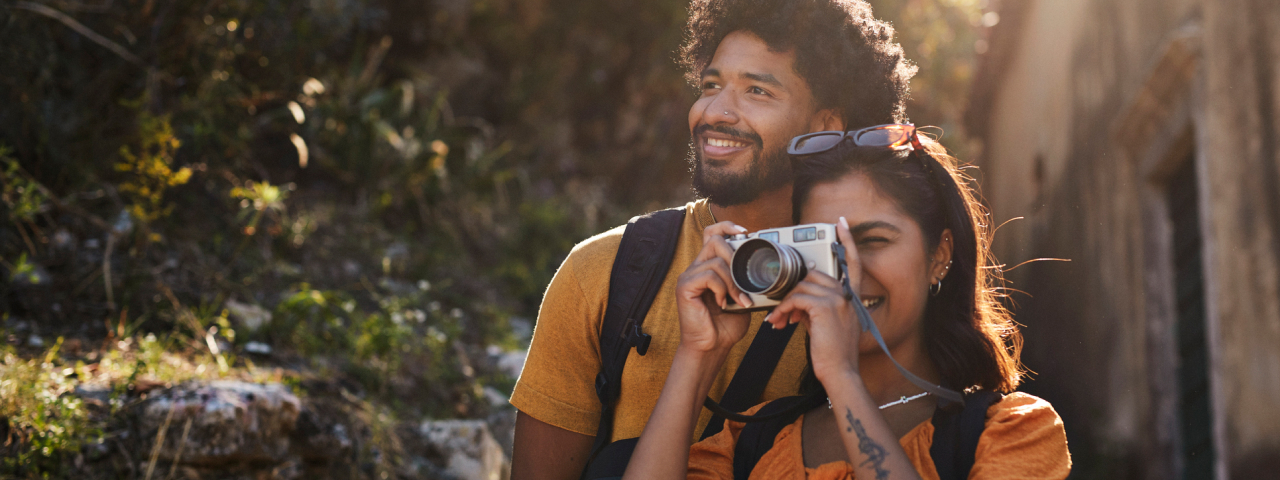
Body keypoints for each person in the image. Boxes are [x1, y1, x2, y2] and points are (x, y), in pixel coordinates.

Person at [509, 0, 918, 478]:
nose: (715, 111)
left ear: (824, 126)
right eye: (710, 85)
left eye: (757, 91)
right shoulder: (602, 273)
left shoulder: (874, 287)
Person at [621, 125, 1071, 479]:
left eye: (872, 240)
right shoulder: (753, 440)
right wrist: (699, 353)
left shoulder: (1012, 431)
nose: (847, 272)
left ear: (940, 255)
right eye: (824, 247)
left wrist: (841, 375)